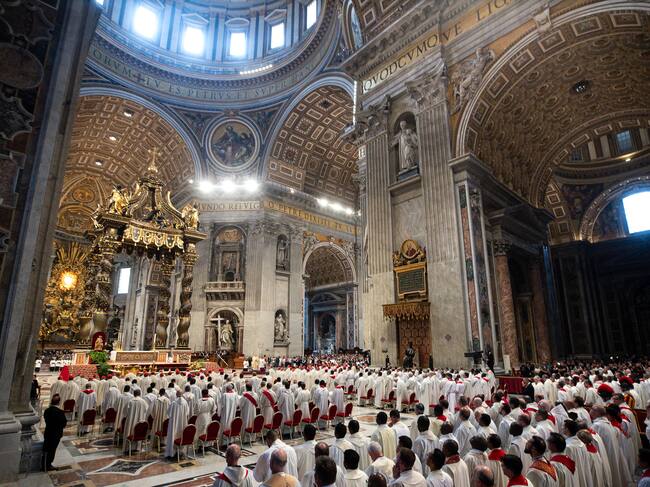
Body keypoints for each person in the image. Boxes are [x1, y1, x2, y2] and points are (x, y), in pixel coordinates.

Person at [43, 394, 67, 471]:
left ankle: (44, 463)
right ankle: (48, 465)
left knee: (46, 448)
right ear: (59, 403)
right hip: (56, 434)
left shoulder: (47, 411)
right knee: (52, 449)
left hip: (48, 432)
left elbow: (46, 420)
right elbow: (64, 424)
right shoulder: (60, 412)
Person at [165, 390, 190, 459]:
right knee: (181, 436)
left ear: (176, 395)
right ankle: (181, 452)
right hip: (182, 423)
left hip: (174, 423)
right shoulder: (185, 403)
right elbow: (187, 413)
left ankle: (172, 452)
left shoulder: (173, 403)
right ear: (181, 395)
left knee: (173, 435)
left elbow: (168, 413)